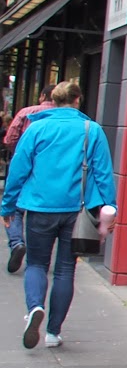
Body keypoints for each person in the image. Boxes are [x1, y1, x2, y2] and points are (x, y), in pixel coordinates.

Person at [0, 82, 117, 348]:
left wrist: (7, 207)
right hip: (77, 211)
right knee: (65, 269)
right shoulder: (92, 130)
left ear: (53, 100)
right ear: (77, 100)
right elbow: (103, 174)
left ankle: (35, 307)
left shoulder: (37, 128)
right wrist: (110, 210)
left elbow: (18, 170)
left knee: (36, 264)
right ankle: (53, 333)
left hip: (39, 207)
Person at [2, 96, 56, 274]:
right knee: (43, 210)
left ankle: (17, 242)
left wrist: (17, 151)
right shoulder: (65, 118)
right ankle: (40, 256)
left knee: (16, 209)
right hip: (49, 172)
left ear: (42, 97)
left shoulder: (27, 113)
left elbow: (10, 138)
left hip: (25, 165)